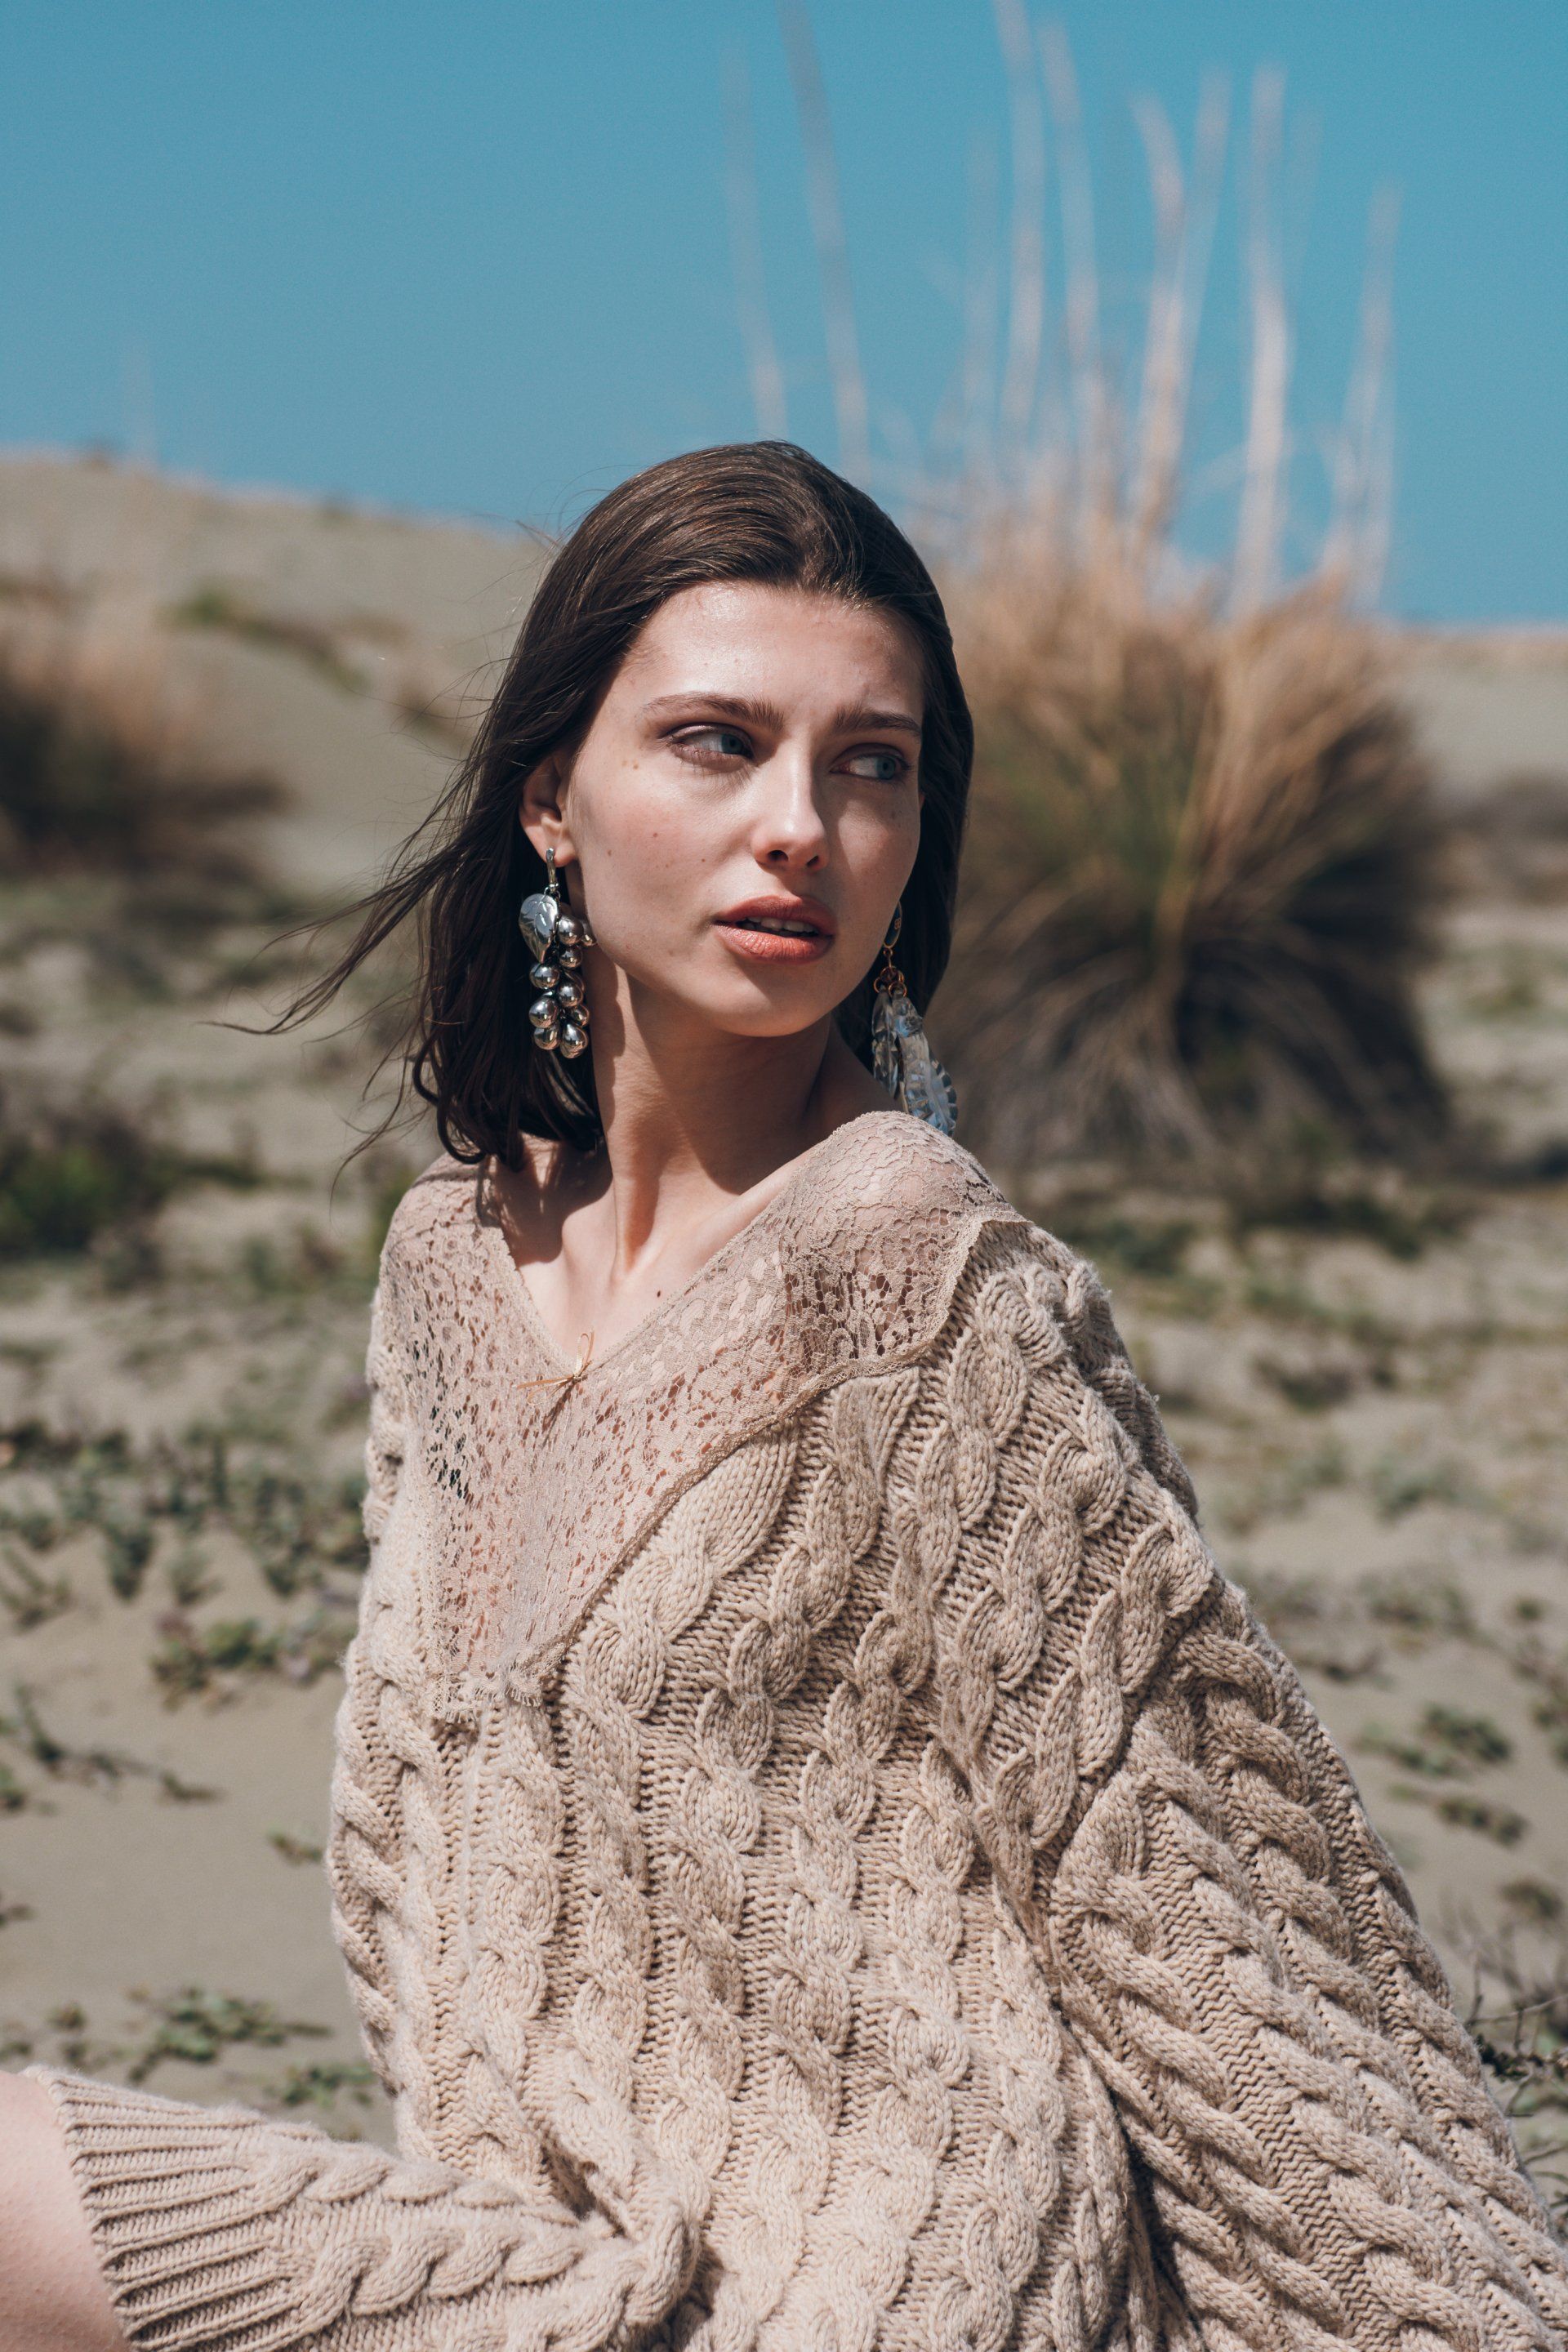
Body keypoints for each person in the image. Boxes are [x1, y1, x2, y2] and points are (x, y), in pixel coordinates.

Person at [2, 442, 1562, 2352]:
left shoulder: (919, 1279)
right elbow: (427, 1862)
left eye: (869, 765)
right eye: (717, 744)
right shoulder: (449, 1268)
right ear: (552, 801)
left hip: (904, 2298)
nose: (800, 826)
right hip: (548, 2272)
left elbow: (1212, 1916)